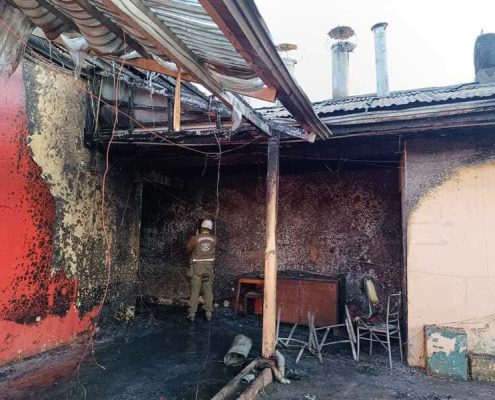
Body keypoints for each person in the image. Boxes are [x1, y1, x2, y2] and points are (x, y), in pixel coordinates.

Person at [186, 219, 216, 321]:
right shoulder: (214, 239)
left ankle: (192, 314)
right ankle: (208, 313)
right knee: (208, 290)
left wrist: (195, 238)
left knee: (195, 291)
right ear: (210, 228)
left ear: (202, 227)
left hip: (197, 269)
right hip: (208, 269)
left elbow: (188, 248)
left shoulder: (195, 238)